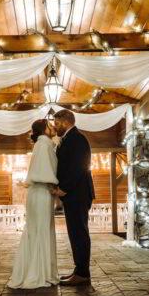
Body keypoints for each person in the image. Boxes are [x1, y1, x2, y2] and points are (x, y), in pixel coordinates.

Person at [7, 119, 60, 289]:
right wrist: (55, 186)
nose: (53, 127)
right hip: (42, 192)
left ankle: (39, 271)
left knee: (38, 230)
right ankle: (38, 273)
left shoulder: (43, 144)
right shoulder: (43, 144)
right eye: (50, 125)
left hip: (40, 192)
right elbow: (43, 172)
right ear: (44, 129)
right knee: (40, 231)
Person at [53, 109, 94, 286]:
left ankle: (83, 274)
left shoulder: (77, 139)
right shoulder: (68, 139)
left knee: (79, 233)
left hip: (78, 193)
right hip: (74, 194)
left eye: (56, 123)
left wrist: (64, 188)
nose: (55, 127)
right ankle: (79, 270)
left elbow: (80, 167)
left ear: (66, 121)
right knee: (75, 233)